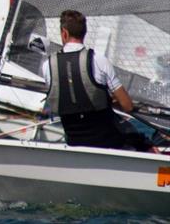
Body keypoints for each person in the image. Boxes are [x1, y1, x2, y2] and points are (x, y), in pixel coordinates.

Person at [40, 9, 155, 152]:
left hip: (74, 142)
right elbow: (127, 106)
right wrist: (107, 100)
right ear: (84, 33)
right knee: (143, 141)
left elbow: (69, 96)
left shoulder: (47, 66)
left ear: (64, 33)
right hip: (108, 142)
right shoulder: (99, 61)